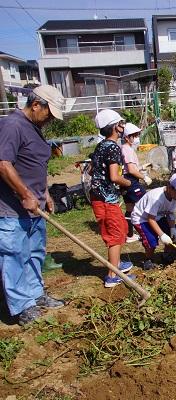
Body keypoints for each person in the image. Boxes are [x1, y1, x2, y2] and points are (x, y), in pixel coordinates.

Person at [0, 86, 66, 325]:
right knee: (15, 256)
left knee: (35, 254)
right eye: (50, 113)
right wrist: (25, 194)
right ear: (36, 105)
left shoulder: (34, 129)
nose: (50, 119)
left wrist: (44, 193)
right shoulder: (12, 125)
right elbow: (3, 164)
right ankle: (21, 306)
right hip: (12, 210)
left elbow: (33, 165)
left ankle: (35, 295)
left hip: (34, 206)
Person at [90, 109, 135, 288]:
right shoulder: (113, 147)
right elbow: (115, 177)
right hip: (106, 199)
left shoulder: (100, 146)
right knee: (116, 235)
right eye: (121, 123)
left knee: (120, 228)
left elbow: (92, 170)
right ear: (116, 127)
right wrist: (129, 183)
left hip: (98, 196)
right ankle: (112, 276)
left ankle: (116, 263)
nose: (123, 126)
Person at [131, 173, 176, 270]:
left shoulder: (173, 197)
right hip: (142, 218)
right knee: (151, 240)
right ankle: (148, 260)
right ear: (170, 187)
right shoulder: (156, 198)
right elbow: (150, 219)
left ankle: (166, 254)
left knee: (171, 236)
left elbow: (170, 213)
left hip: (157, 216)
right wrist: (161, 235)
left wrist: (172, 229)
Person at [121, 122, 152, 243]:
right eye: (134, 135)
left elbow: (130, 167)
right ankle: (150, 230)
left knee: (130, 207)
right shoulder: (127, 150)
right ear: (127, 137)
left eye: (137, 135)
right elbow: (131, 170)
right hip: (131, 181)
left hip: (125, 182)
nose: (136, 138)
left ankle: (129, 234)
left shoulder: (125, 149)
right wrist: (144, 177)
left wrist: (141, 167)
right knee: (146, 203)